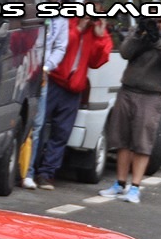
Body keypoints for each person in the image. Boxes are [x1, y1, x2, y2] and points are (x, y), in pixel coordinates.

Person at [98, 16, 161, 204]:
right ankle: (119, 183)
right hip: (127, 90)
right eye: (152, 20)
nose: (156, 24)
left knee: (143, 141)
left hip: (150, 95)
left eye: (159, 21)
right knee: (122, 139)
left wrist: (156, 40)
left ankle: (135, 187)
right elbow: (125, 53)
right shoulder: (138, 31)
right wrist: (140, 34)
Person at [32, 15, 110, 190]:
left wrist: (99, 36)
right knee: (38, 126)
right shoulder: (69, 22)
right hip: (54, 81)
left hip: (74, 89)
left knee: (61, 133)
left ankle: (46, 173)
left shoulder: (97, 30)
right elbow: (60, 46)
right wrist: (78, 30)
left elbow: (98, 60)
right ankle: (29, 169)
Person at [20, 0, 68, 190]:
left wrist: (47, 66)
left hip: (42, 76)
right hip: (23, 69)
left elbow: (60, 47)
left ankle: (27, 171)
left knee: (37, 125)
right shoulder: (32, 7)